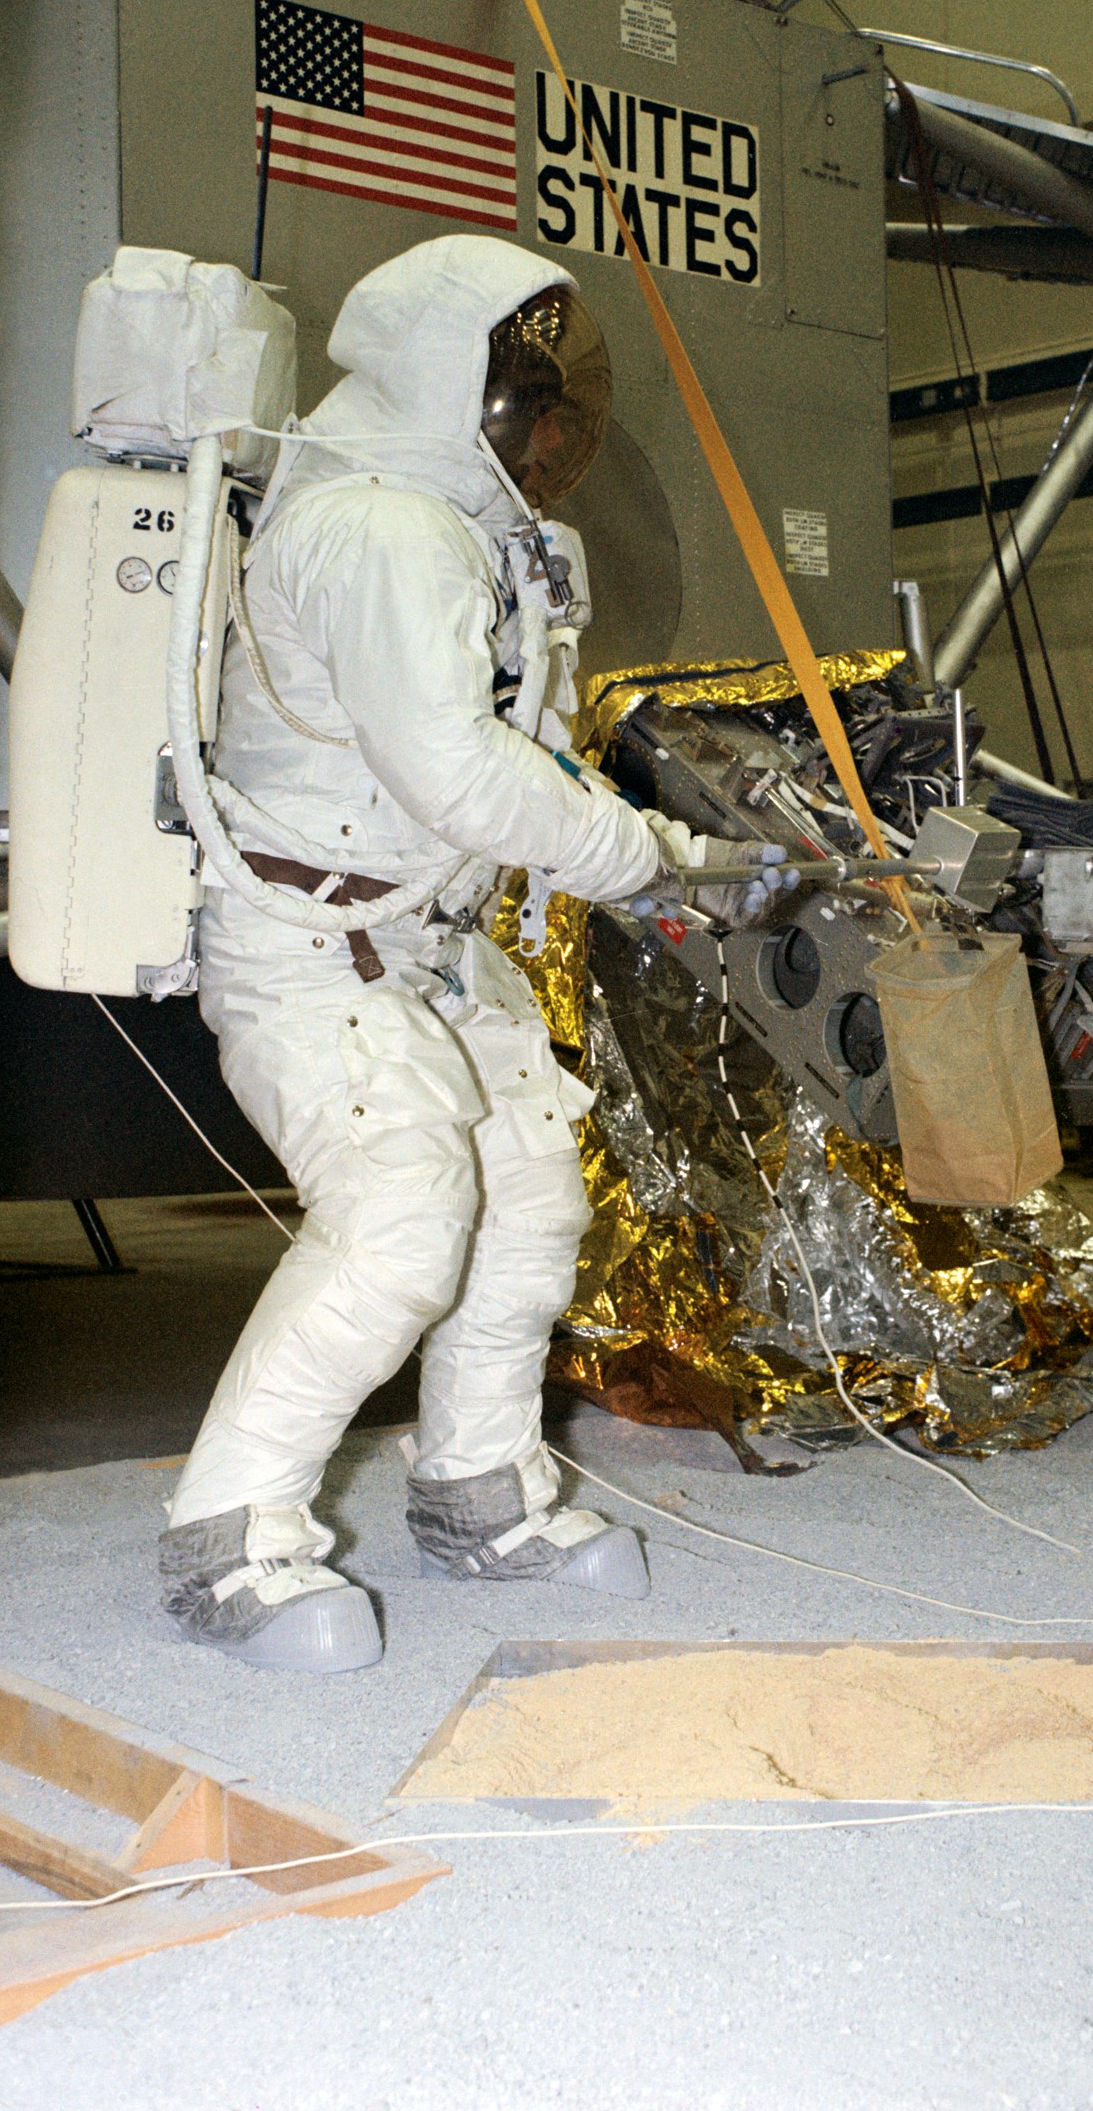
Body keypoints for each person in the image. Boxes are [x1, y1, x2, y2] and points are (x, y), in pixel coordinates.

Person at [158, 236, 787, 1672]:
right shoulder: (373, 530)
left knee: (528, 1210)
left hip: (427, 944)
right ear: (445, 382)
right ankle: (226, 1535)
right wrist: (646, 859)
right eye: (527, 402)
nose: (550, 437)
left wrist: (657, 853)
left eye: (558, 409)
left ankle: (479, 1493)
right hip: (307, 937)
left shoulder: (493, 541)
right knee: (401, 1217)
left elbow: (530, 757)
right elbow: (457, 772)